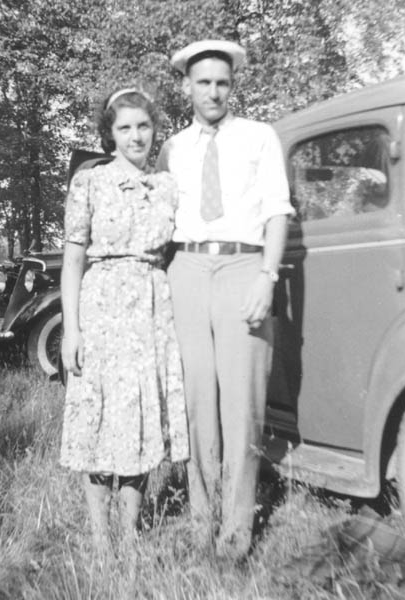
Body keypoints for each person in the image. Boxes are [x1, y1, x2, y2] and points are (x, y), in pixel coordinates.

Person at [157, 40, 294, 560]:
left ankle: (236, 530)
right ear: (186, 87)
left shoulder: (260, 137)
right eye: (204, 82)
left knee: (242, 404)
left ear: (232, 86)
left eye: (222, 82)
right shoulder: (171, 149)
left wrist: (266, 276)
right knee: (197, 401)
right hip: (187, 268)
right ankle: (201, 519)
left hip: (243, 266)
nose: (213, 92)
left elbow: (277, 211)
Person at [60, 88, 189, 551]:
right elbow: (73, 260)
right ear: (110, 134)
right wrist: (71, 330)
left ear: (155, 130)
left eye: (143, 126)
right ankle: (100, 538)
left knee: (140, 418)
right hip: (101, 309)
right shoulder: (89, 182)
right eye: (125, 127)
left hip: (151, 312)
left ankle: (130, 533)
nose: (136, 136)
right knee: (99, 419)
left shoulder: (167, 187)